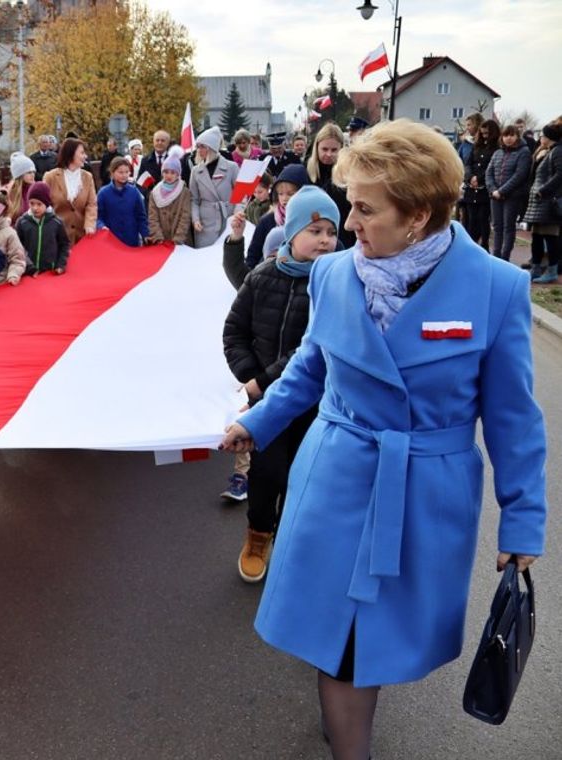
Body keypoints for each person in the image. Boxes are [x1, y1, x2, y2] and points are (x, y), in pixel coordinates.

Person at [220, 119, 547, 760]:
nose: (348, 225)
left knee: (377, 640)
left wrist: (523, 522)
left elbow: (513, 417)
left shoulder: (496, 288)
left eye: (365, 209)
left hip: (426, 492)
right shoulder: (333, 275)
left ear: (419, 215)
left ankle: (349, 710)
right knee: (339, 646)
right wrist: (254, 422)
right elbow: (309, 369)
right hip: (336, 477)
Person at [222, 186, 339, 583]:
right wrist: (249, 376)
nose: (325, 240)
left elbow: (316, 348)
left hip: (314, 404)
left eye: (331, 232)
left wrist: (264, 380)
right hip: (267, 404)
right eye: (316, 230)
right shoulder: (262, 276)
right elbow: (234, 331)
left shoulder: (336, 284)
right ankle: (258, 536)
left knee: (304, 475)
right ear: (291, 234)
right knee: (266, 473)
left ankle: (292, 542)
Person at [243, 164, 309, 270]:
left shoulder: (313, 220)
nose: (284, 198)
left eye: (290, 194)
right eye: (280, 193)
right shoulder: (267, 221)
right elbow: (253, 256)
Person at [485, 124, 532, 261]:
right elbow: (489, 172)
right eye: (506, 135)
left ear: (517, 136)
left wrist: (502, 190)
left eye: (512, 135)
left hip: (512, 196)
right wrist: (493, 189)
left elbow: (520, 175)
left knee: (508, 227)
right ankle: (496, 256)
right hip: (495, 196)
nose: (508, 138)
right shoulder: (497, 152)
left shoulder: (524, 152)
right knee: (497, 226)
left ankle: (505, 257)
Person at [524, 121, 562, 283]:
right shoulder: (547, 151)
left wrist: (543, 190)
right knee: (537, 236)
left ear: (549, 137)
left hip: (547, 201)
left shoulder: (558, 152)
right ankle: (536, 268)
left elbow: (560, 175)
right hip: (538, 202)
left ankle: (552, 270)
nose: (540, 138)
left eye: (543, 135)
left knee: (550, 237)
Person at [306, 122, 355, 249]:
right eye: (324, 149)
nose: (329, 154)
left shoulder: (350, 173)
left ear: (342, 149)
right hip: (314, 233)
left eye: (334, 150)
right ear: (317, 148)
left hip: (343, 234)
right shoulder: (306, 170)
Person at [190, 127, 239, 247]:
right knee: (205, 258)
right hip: (205, 222)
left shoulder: (231, 167)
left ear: (211, 148)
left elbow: (240, 195)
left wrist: (238, 214)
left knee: (227, 257)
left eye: (202, 146)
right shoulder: (196, 171)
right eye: (198, 146)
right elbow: (194, 200)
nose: (198, 150)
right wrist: (195, 219)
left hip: (228, 218)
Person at [43, 137, 98, 245]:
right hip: (57, 238)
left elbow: (91, 204)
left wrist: (89, 224)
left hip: (82, 237)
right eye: (82, 153)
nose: (85, 156)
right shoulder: (50, 177)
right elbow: (44, 204)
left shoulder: (87, 177)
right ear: (71, 154)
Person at [16, 181, 71, 275]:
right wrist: (29, 267)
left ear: (47, 204)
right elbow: (18, 247)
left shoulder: (56, 222)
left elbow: (64, 245)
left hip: (50, 272)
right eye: (31, 203)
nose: (35, 208)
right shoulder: (22, 222)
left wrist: (60, 265)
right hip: (28, 273)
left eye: (39, 204)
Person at [462, 118, 500, 248]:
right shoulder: (476, 147)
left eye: (487, 134)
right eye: (483, 133)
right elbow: (468, 164)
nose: (485, 136)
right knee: (471, 219)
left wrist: (479, 178)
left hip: (484, 188)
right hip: (471, 188)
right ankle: (471, 246)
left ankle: (484, 245)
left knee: (483, 219)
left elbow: (492, 167)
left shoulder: (496, 149)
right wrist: (470, 177)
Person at [96, 156, 148, 247]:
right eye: (120, 172)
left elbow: (141, 217)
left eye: (127, 172)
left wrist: (145, 234)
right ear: (112, 173)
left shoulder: (134, 192)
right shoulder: (103, 193)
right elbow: (98, 216)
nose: (124, 175)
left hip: (132, 241)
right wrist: (101, 226)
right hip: (111, 242)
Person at [147, 154, 193, 246]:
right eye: (166, 172)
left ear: (178, 174)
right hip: (161, 241)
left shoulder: (184, 191)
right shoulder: (155, 192)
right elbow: (153, 217)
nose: (169, 175)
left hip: (181, 241)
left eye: (173, 172)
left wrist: (178, 239)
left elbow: (185, 217)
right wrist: (158, 237)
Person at [7, 151, 38, 224]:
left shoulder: (37, 189)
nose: (33, 175)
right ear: (19, 175)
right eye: (29, 172)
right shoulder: (9, 192)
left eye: (33, 172)